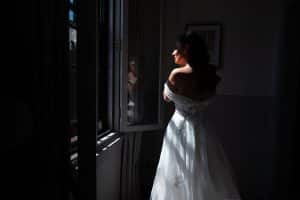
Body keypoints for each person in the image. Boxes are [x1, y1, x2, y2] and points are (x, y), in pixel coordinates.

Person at [150, 31, 241, 200]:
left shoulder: (176, 75)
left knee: (176, 173)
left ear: (186, 51)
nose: (173, 52)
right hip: (203, 129)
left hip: (179, 129)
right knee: (206, 174)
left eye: (176, 49)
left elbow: (166, 97)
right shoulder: (211, 75)